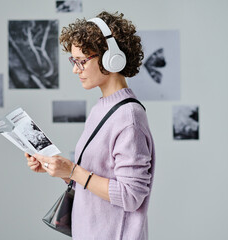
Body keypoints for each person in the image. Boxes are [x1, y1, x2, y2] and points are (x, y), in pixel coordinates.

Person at [25, 11, 155, 240]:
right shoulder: (101, 109)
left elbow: (130, 196)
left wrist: (73, 170)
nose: (76, 69)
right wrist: (60, 169)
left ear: (110, 58)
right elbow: (96, 178)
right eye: (73, 61)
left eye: (81, 61)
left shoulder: (129, 118)